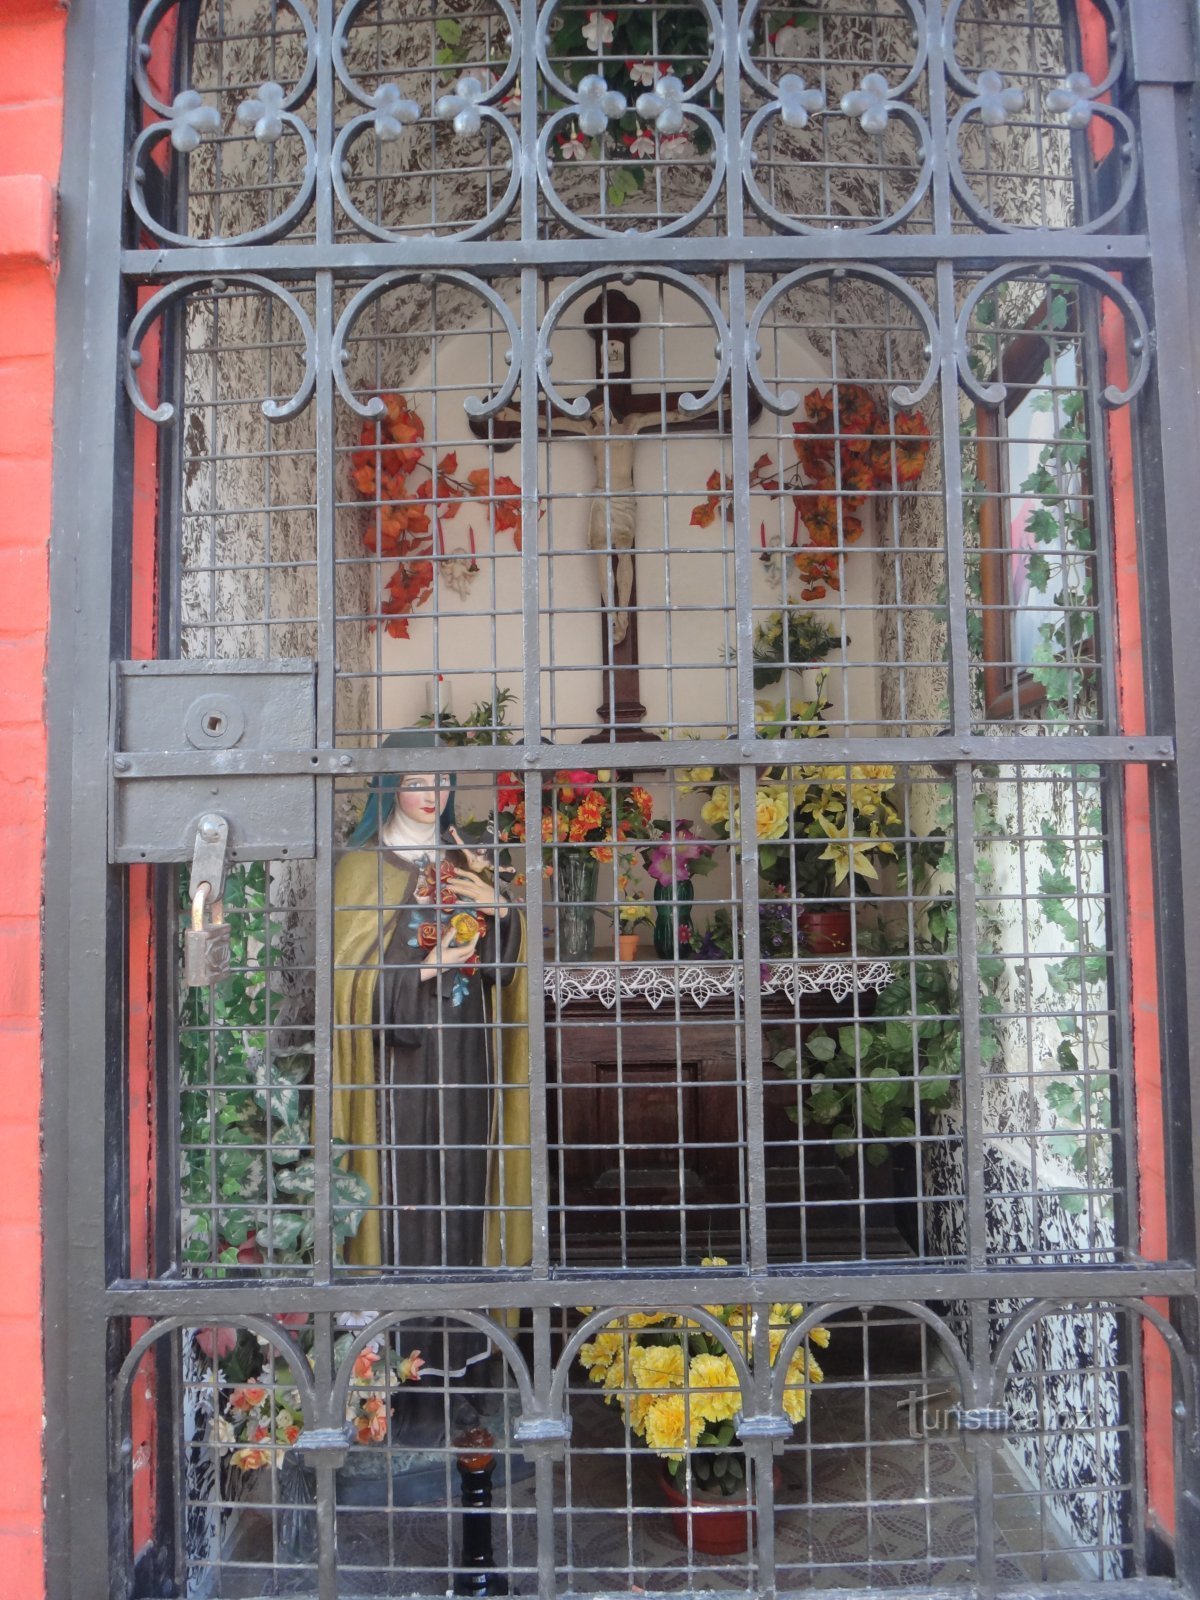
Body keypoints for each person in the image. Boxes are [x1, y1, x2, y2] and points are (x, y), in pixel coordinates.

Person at [332, 731, 531, 1386]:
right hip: (399, 1072)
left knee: (464, 1184)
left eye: (441, 781)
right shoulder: (361, 868)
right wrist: (425, 968)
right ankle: (398, 1366)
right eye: (416, 781)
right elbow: (346, 983)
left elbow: (504, 967)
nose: (431, 794)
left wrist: (500, 908)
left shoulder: (466, 856)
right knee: (408, 1193)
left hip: (467, 1054)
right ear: (389, 785)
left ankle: (466, 1355)